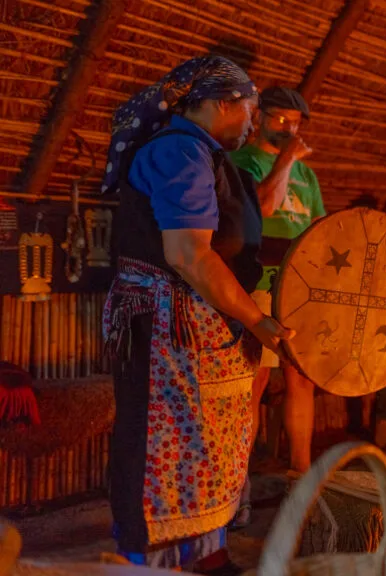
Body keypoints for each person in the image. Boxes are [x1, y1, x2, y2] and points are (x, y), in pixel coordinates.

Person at [101, 56, 293, 574]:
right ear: (218, 104)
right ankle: (154, 562)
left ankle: (205, 554)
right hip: (168, 329)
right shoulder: (178, 150)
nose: (253, 123)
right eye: (249, 110)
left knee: (207, 446)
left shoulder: (206, 154)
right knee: (167, 444)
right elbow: (188, 253)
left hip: (203, 331)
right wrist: (257, 320)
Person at [229, 86, 323, 477]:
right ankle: (239, 484)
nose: (288, 127)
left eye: (295, 123)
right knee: (255, 378)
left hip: (301, 287)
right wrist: (285, 159)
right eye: (280, 119)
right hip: (259, 283)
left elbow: (318, 228)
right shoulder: (240, 162)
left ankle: (301, 473)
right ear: (259, 117)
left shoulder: (308, 176)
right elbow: (264, 206)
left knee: (302, 378)